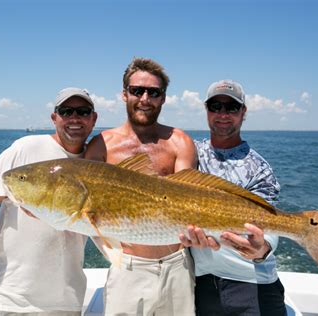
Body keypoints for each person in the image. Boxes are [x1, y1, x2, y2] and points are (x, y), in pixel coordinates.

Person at [0, 87, 98, 315]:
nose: (74, 118)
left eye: (83, 111)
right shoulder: (25, 149)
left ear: (93, 119)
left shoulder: (97, 162)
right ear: (54, 117)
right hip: (7, 298)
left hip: (66, 303)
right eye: (66, 111)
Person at [85, 57, 198, 316]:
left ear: (163, 98)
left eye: (153, 92)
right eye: (137, 90)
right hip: (128, 267)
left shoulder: (179, 142)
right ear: (124, 94)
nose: (145, 99)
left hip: (177, 265)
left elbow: (188, 200)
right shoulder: (102, 145)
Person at [180, 79, 287, 316]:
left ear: (243, 112)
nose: (223, 114)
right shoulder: (190, 154)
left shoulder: (260, 168)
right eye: (215, 106)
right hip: (203, 284)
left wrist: (262, 249)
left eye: (232, 107)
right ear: (206, 110)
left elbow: (270, 224)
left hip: (253, 285)